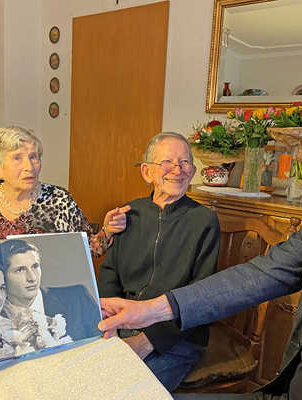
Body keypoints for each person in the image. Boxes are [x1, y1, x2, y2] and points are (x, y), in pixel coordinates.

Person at [98, 47, 302, 399]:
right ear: (147, 172)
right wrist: (148, 310)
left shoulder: (200, 219)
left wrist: (151, 333)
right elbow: (264, 274)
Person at [97, 132, 220, 391]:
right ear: (147, 172)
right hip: (121, 325)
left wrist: (145, 342)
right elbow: (110, 274)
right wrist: (114, 326)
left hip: (176, 338)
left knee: (126, 391)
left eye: (185, 162)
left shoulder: (203, 221)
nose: (177, 169)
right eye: (168, 162)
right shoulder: (130, 213)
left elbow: (201, 297)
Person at [0, 126, 129, 256]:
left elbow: (88, 250)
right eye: (17, 158)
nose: (29, 167)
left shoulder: (60, 201)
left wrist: (107, 230)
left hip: (45, 294)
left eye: (33, 157)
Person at [0, 239, 100, 353]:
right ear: (1, 276)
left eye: (35, 266)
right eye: (20, 270)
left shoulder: (77, 298)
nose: (32, 278)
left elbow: (103, 346)